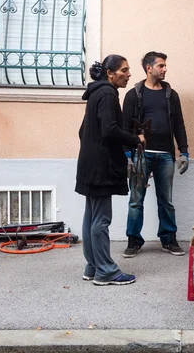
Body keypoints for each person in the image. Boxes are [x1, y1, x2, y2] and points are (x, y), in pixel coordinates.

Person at [75, 55, 145, 286]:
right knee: (101, 220)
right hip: (102, 165)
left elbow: (82, 130)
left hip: (89, 163)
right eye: (124, 70)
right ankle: (105, 271)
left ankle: (92, 266)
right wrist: (136, 139)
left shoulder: (96, 93)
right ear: (110, 73)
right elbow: (110, 129)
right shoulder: (108, 94)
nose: (128, 74)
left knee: (91, 216)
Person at [122, 51, 189, 258]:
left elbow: (179, 125)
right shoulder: (134, 95)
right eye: (161, 65)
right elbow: (125, 127)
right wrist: (127, 156)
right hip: (141, 155)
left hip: (165, 156)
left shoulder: (171, 95)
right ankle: (134, 240)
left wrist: (184, 152)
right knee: (136, 199)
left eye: (165, 65)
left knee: (166, 200)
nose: (165, 69)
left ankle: (168, 239)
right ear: (149, 68)